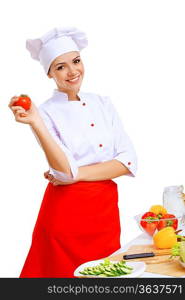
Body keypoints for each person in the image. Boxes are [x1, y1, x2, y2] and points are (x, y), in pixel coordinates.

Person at [8, 26, 137, 278]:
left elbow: (127, 161)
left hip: (104, 213)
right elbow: (64, 171)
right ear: (49, 73)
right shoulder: (43, 112)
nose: (72, 71)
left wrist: (75, 174)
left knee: (106, 276)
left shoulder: (103, 104)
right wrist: (35, 121)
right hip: (64, 217)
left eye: (76, 61)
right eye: (60, 66)